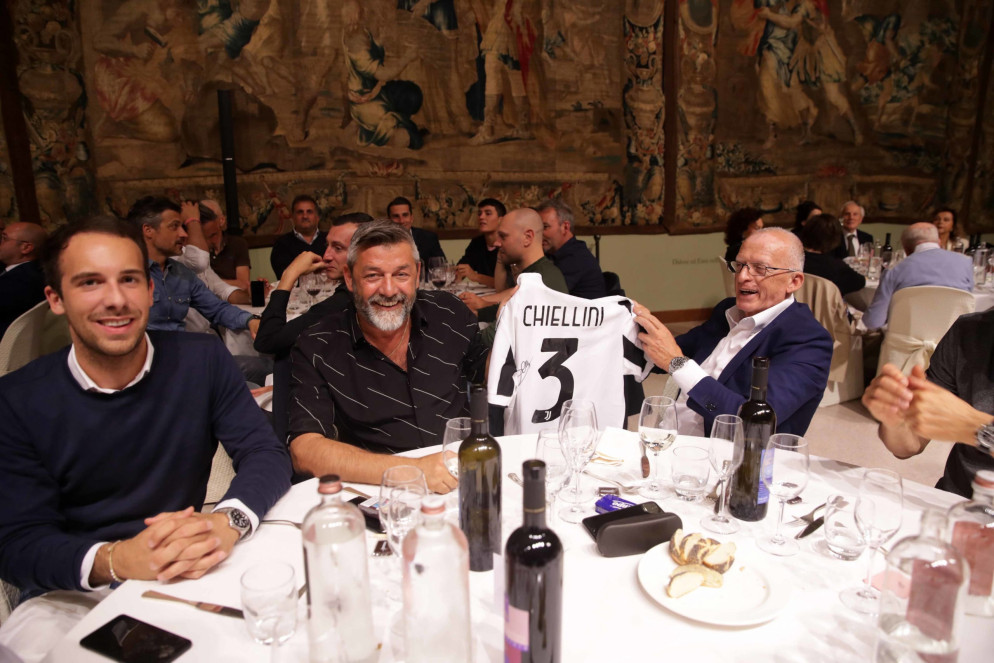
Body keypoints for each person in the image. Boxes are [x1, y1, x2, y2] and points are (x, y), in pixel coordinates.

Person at [0, 216, 291, 659]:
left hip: (188, 566)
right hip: (73, 590)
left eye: (129, 280)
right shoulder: (17, 399)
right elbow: (17, 543)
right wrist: (117, 559)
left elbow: (264, 451)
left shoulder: (201, 360)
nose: (116, 299)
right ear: (56, 299)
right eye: (90, 282)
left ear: (151, 290)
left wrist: (226, 522)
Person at [287, 220, 487, 493]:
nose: (389, 290)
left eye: (401, 274)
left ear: (417, 274)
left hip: (465, 480)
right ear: (349, 278)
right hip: (381, 493)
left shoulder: (449, 314)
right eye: (373, 276)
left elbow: (493, 375)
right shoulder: (318, 345)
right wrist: (411, 472)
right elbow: (304, 450)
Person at [634, 228, 833, 436]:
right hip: (670, 437)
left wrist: (677, 363)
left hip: (727, 453)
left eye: (760, 268)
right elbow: (673, 348)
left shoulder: (809, 341)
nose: (742, 277)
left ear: (794, 281)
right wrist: (631, 330)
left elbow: (753, 423)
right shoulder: (727, 310)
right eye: (739, 265)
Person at [254, 213, 372, 440]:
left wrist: (290, 275)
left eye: (338, 248)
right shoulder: (354, 298)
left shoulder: (342, 304)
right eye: (328, 246)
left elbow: (266, 340)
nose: (326, 256)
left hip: (324, 427)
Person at [863, 309, 994, 498]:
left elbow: (971, 426)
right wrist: (896, 419)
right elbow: (910, 444)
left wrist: (978, 429)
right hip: (954, 502)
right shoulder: (970, 332)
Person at [127, 197, 260, 337]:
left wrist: (250, 321)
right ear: (148, 230)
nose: (183, 234)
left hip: (182, 345)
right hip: (146, 348)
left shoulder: (181, 273)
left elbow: (216, 308)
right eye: (174, 226)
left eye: (182, 227)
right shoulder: (127, 275)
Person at [458, 208, 568, 324]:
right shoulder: (535, 273)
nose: (496, 243)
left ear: (527, 237)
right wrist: (477, 313)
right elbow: (508, 308)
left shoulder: (540, 280)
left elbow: (498, 329)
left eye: (503, 236)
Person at [862, 223, 974, 330]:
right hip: (952, 340)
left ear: (906, 248)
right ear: (939, 241)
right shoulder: (966, 263)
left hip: (905, 340)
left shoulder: (894, 270)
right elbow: (966, 304)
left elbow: (873, 322)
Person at [536, 199, 606, 299]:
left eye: (545, 227)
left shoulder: (577, 258)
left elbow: (543, 294)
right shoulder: (553, 254)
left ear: (565, 227)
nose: (539, 234)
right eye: (538, 228)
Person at [798, 213, 865, 296]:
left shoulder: (793, 260)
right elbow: (861, 282)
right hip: (824, 304)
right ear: (835, 238)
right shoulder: (836, 267)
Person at [0, 222, 47, 340]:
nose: (0, 242)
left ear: (26, 248)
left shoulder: (22, 280)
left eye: (4, 238)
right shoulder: (30, 271)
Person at [270, 195, 328, 279]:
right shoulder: (281, 244)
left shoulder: (330, 240)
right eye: (300, 212)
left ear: (317, 217)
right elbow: (285, 277)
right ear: (293, 217)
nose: (305, 216)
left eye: (309, 212)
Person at [200, 201, 251, 290]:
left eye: (210, 215)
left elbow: (243, 284)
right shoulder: (194, 248)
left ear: (221, 220)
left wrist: (209, 282)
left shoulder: (237, 243)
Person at [455, 198, 504, 287]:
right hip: (485, 293)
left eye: (488, 213)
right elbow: (462, 268)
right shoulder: (477, 243)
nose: (481, 217)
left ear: (500, 220)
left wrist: (476, 277)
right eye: (479, 214)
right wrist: (453, 274)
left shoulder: (508, 244)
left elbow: (508, 284)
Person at [387, 196, 445, 263]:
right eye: (396, 216)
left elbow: (441, 265)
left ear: (411, 218)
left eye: (405, 215)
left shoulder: (429, 238)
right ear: (389, 220)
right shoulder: (381, 240)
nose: (401, 221)